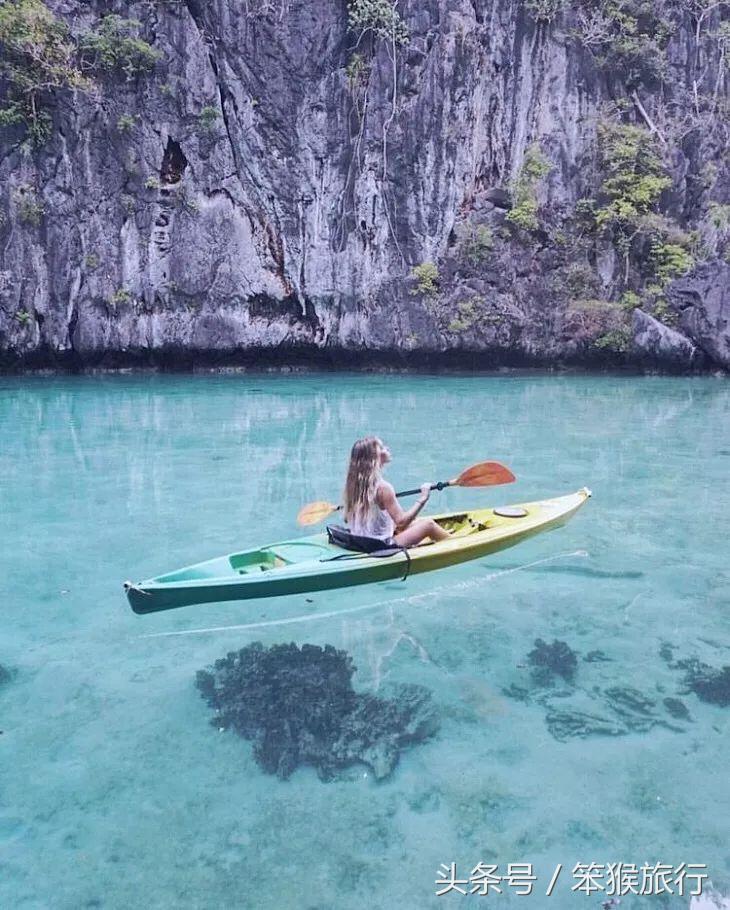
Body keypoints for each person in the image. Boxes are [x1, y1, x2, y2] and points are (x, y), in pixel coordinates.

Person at [343, 436, 450, 548]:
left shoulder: (353, 485)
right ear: (373, 457)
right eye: (381, 448)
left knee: (416, 522)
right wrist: (423, 498)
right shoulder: (383, 488)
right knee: (428, 525)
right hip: (380, 545)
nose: (387, 449)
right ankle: (456, 543)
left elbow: (346, 518)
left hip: (360, 542)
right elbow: (401, 522)